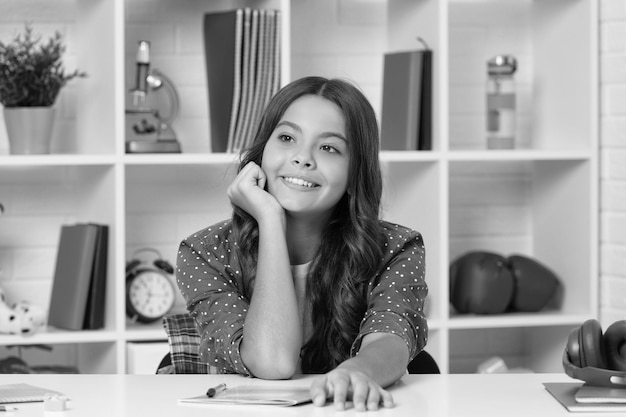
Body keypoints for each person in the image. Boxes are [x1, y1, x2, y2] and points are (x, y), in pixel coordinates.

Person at [176, 76, 428, 411]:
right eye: (286, 138)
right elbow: (274, 362)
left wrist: (356, 373)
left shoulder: (396, 247)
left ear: (355, 173)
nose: (302, 158)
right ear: (261, 153)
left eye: (328, 148)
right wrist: (269, 219)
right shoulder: (204, 252)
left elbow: (391, 338)